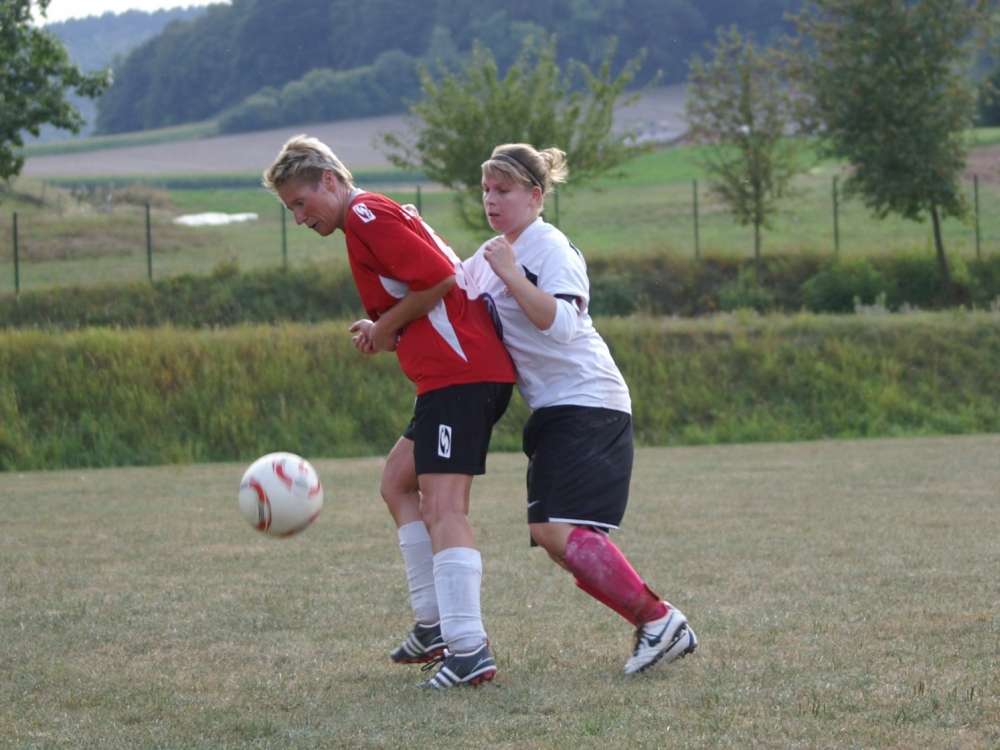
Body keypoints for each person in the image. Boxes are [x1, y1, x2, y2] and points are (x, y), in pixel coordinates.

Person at [263, 135, 516, 689]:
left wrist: (385, 326)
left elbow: (441, 279)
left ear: (329, 180)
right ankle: (433, 625)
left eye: (301, 204)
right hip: (448, 376)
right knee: (397, 484)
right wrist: (385, 326)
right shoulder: (366, 217)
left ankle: (468, 647)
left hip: (463, 373)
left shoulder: (367, 214)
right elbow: (428, 281)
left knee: (445, 508)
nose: (300, 219)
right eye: (291, 211)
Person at [463, 143, 698, 675]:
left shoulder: (548, 247)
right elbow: (450, 294)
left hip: (588, 400)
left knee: (554, 529)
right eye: (486, 190)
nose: (491, 200)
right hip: (556, 407)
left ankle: (659, 621)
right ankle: (658, 625)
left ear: (535, 196)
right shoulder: (491, 252)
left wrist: (513, 276)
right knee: (557, 536)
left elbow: (564, 326)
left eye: (503, 190)